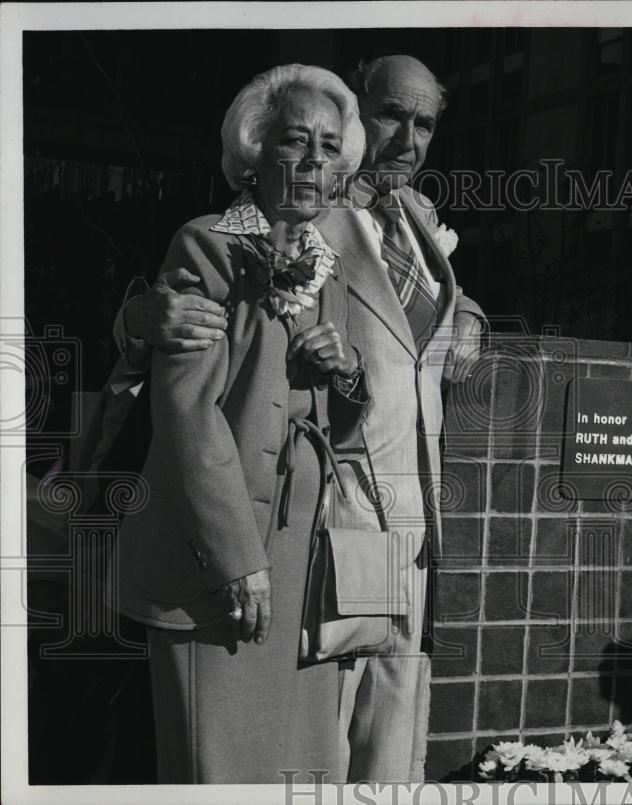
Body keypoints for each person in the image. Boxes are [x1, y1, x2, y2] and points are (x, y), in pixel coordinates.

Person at [103, 55, 485, 782]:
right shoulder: (244, 231)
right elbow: (184, 389)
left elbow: (401, 342)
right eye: (388, 116)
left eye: (424, 123)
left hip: (364, 530)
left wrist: (453, 320)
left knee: (351, 752)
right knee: (230, 757)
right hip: (262, 536)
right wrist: (136, 317)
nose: (404, 138)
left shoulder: (392, 227)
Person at [109, 63, 374, 784]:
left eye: (330, 145)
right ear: (253, 153)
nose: (316, 159)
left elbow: (343, 428)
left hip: (302, 566)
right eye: (295, 140)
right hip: (222, 557)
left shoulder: (330, 266)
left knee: (300, 772)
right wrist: (237, 559)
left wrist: (342, 373)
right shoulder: (206, 244)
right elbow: (186, 413)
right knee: (219, 769)